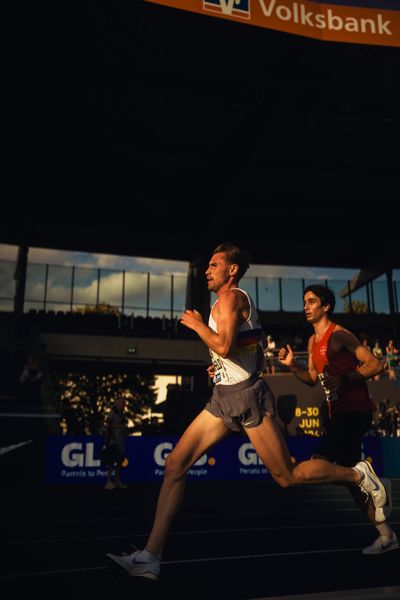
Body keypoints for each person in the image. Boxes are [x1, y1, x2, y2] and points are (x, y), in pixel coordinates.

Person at [106, 244, 389, 579]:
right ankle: (150, 556)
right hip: (223, 396)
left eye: (214, 265)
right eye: (207, 265)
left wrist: (197, 326)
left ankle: (358, 475)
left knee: (287, 477)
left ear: (232, 270)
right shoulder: (228, 303)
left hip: (246, 398)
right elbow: (247, 346)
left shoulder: (231, 299)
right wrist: (221, 368)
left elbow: (224, 344)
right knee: (175, 465)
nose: (206, 270)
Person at [278, 284, 397, 555]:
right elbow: (310, 380)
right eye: (304, 302)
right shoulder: (311, 341)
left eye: (311, 302)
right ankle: (386, 533)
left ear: (326, 306)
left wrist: (345, 378)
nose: (305, 306)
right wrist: (292, 366)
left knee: (318, 464)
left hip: (355, 412)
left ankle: (365, 477)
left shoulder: (339, 335)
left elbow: (376, 364)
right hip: (337, 415)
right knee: (353, 484)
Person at [103, 397, 128, 490]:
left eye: (124, 404)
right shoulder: (112, 413)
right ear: (117, 404)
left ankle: (117, 480)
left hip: (120, 441)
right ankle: (109, 481)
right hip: (113, 441)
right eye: (122, 403)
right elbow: (107, 425)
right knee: (111, 462)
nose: (123, 405)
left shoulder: (122, 414)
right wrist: (118, 426)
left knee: (119, 461)